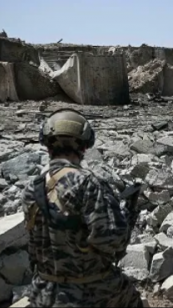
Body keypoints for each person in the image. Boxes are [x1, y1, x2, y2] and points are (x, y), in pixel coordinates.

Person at [22, 108, 143, 307]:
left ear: (48, 147)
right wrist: (127, 217)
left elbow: (34, 247)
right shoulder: (88, 183)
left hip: (44, 292)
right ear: (84, 147)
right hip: (89, 293)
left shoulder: (32, 188)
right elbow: (113, 242)